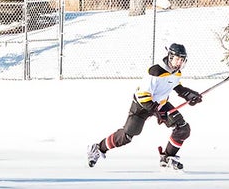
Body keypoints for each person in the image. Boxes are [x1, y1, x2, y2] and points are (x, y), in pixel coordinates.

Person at [87, 43, 203, 171]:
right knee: (128, 135)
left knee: (183, 128)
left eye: (182, 60)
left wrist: (189, 94)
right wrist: (155, 111)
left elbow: (176, 86)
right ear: (170, 57)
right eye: (177, 59)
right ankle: (98, 148)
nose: (179, 63)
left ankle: (168, 157)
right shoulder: (156, 71)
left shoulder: (176, 73)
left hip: (160, 104)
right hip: (141, 106)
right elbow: (143, 95)